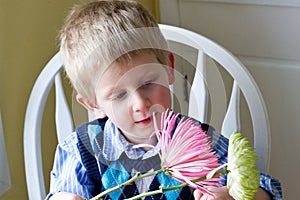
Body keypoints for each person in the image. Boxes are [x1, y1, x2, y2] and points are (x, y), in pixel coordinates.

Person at [47, 0, 282, 199]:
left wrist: (231, 195)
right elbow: (62, 193)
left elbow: (268, 188)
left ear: (169, 68)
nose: (140, 104)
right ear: (94, 104)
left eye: (148, 83)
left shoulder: (198, 141)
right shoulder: (80, 151)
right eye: (119, 95)